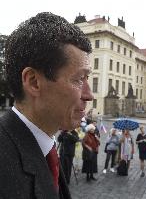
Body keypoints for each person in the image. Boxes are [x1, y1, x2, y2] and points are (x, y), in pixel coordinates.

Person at [0, 12, 92, 199]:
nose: (89, 95)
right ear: (34, 82)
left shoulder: (44, 148)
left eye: (87, 78)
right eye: (79, 79)